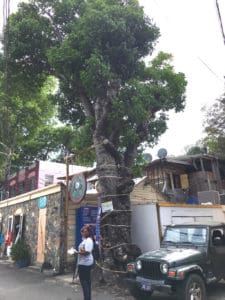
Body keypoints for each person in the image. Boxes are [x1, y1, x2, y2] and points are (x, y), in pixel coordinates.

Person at [77, 224, 94, 300]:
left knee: (84, 282)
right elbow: (83, 250)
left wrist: (77, 252)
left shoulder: (89, 240)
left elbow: (87, 252)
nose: (83, 232)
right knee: (86, 282)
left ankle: (87, 298)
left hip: (85, 264)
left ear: (88, 232)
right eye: (83, 231)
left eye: (85, 231)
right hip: (83, 263)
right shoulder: (85, 240)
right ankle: (87, 298)